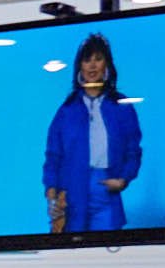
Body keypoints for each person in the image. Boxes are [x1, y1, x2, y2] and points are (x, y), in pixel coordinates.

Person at [49, 32, 148, 234]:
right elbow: (53, 155)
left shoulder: (122, 106)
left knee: (106, 247)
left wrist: (123, 180)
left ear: (107, 65)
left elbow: (133, 151)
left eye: (98, 59)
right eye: (87, 60)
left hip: (105, 190)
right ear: (80, 66)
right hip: (72, 190)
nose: (92, 66)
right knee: (72, 249)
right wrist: (52, 194)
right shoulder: (67, 110)